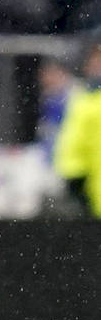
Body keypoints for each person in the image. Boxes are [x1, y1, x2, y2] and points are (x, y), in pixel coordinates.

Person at [54, 30, 101, 216]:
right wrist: (74, 180)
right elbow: (72, 147)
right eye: (95, 58)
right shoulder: (82, 100)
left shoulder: (83, 100)